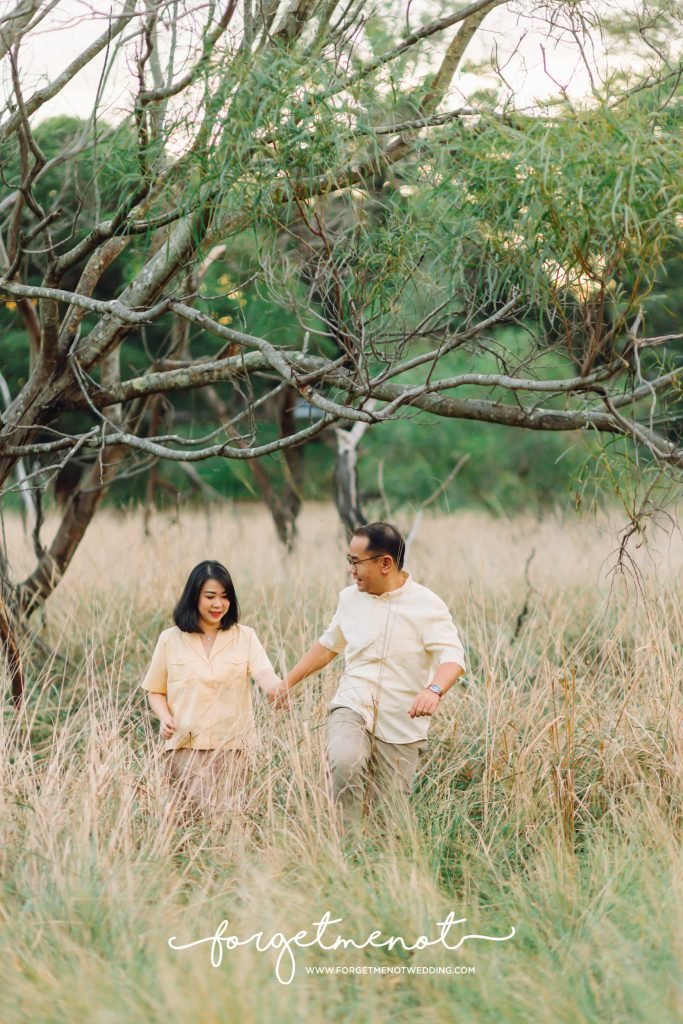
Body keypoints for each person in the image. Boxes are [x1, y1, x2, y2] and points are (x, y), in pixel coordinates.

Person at [271, 522, 466, 833]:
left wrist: (433, 690)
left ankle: (377, 867)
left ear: (385, 563)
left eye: (356, 562)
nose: (351, 570)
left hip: (402, 723)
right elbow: (329, 645)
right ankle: (346, 848)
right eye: (349, 561)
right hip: (353, 703)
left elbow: (453, 658)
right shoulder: (350, 599)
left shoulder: (427, 605)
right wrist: (287, 683)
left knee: (390, 820)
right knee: (345, 761)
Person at [141, 560, 280, 822]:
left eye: (225, 597)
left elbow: (264, 673)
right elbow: (155, 690)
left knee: (227, 822)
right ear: (194, 596)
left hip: (232, 750)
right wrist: (164, 717)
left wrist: (275, 689)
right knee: (191, 825)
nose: (218, 604)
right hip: (184, 749)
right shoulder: (170, 639)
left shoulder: (245, 636)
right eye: (210, 597)